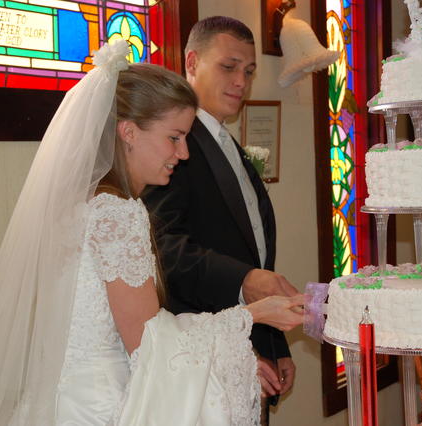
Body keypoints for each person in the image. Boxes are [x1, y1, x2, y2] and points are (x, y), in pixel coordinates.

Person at [0, 41, 304, 426]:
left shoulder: (80, 205)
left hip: (63, 400)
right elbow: (149, 345)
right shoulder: (116, 214)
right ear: (129, 132)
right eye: (174, 137)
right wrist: (249, 316)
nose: (183, 153)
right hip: (102, 407)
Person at [142, 16, 299, 405]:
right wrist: (243, 280)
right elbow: (162, 249)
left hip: (249, 348)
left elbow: (250, 252)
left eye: (249, 71)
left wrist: (274, 344)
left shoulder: (227, 145)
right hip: (199, 359)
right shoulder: (172, 148)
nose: (241, 82)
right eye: (229, 67)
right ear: (192, 63)